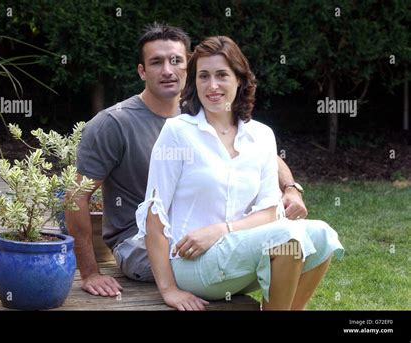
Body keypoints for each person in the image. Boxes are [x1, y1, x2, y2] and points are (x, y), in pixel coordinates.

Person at [66, 24, 308, 298]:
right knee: (271, 248)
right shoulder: (115, 123)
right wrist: (89, 272)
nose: (168, 70)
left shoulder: (204, 109)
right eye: (156, 62)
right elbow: (76, 196)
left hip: (203, 230)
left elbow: (264, 153)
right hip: (139, 242)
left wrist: (290, 189)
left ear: (188, 69)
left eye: (176, 61)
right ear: (142, 71)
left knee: (291, 240)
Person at [134, 36, 344, 310]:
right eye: (203, 76)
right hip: (191, 264)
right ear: (194, 82)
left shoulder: (262, 135)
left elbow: (270, 213)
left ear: (240, 80)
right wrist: (169, 289)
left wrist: (221, 231)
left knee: (323, 235)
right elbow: (154, 216)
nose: (212, 86)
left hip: (241, 257)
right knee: (287, 237)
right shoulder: (178, 132)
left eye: (222, 75)